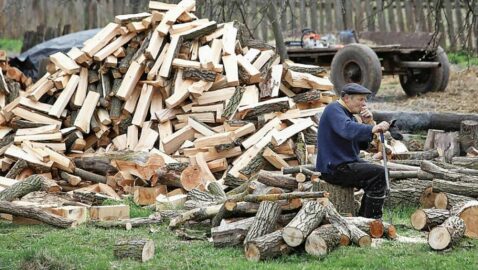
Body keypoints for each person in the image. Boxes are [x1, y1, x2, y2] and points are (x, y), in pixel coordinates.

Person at [316, 83, 390, 219]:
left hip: (344, 164)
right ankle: (371, 219)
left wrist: (368, 123)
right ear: (347, 98)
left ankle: (365, 217)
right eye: (360, 99)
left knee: (377, 171)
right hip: (335, 168)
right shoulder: (333, 109)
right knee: (378, 174)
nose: (364, 104)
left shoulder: (348, 114)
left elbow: (361, 144)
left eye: (365, 100)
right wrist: (372, 129)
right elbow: (347, 129)